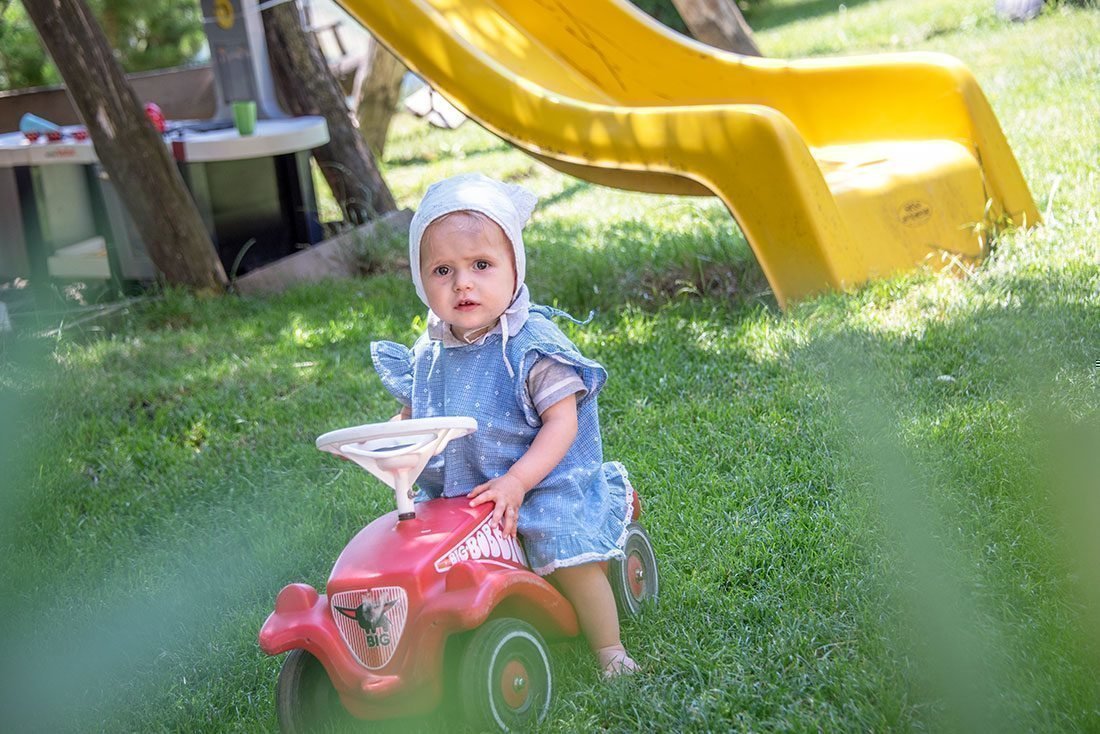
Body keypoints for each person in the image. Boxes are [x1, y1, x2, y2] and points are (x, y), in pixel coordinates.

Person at [370, 173, 638, 677]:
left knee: (563, 544)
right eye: (443, 270)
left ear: (515, 266)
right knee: (420, 554)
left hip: (539, 480)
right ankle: (421, 647)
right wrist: (396, 439)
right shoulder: (429, 351)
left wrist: (518, 481)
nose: (462, 283)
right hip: (462, 489)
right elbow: (415, 412)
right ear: (419, 277)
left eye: (481, 265)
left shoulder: (529, 345)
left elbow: (562, 422)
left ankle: (609, 650)